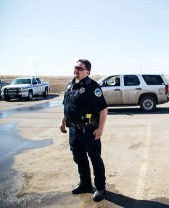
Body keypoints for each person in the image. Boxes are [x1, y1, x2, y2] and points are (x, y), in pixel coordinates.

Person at [60, 59, 108, 202]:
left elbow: (103, 109)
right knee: (79, 158)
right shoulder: (71, 85)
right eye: (75, 67)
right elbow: (68, 106)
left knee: (95, 159)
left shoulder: (92, 86)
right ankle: (85, 184)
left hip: (89, 130)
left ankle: (100, 188)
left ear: (87, 71)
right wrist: (63, 122)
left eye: (79, 68)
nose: (76, 70)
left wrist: (100, 128)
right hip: (74, 131)